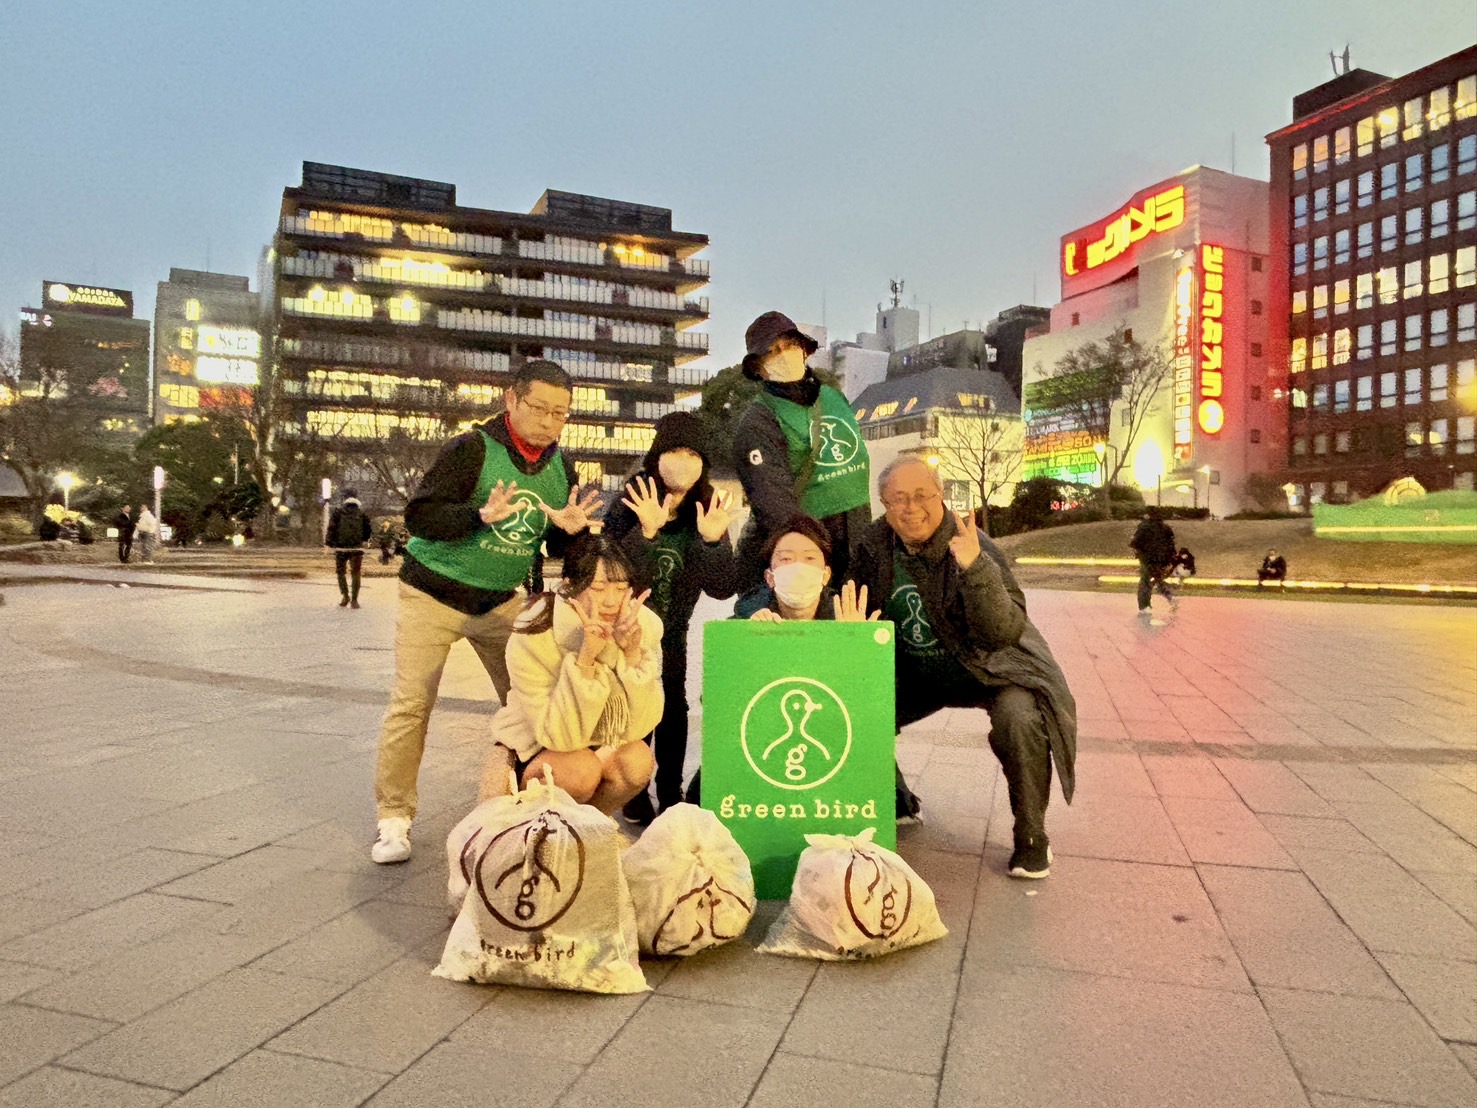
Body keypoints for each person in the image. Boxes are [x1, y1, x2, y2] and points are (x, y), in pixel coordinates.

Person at [370, 358, 602, 864]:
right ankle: (394, 819)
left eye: (560, 414)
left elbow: (556, 544)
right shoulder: (471, 449)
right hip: (433, 593)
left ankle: (532, 804)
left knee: (529, 700)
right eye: (538, 408)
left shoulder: (562, 468)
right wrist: (477, 515)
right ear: (511, 400)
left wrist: (570, 532)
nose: (548, 421)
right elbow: (420, 517)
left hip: (500, 601)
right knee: (412, 704)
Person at [848, 457, 1078, 879]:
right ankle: (895, 797)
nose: (911, 507)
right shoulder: (871, 547)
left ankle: (1032, 834)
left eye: (922, 495)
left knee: (1018, 717)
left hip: (987, 668)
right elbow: (847, 600)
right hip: (918, 672)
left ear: (941, 496)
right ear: (883, 504)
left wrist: (975, 569)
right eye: (897, 499)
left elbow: (1002, 631)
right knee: (858, 706)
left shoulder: (972, 543)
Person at [685, 514, 877, 805]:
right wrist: (751, 649)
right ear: (770, 577)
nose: (798, 567)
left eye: (809, 558)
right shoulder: (741, 625)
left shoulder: (850, 621)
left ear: (826, 574)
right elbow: (716, 705)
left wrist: (857, 649)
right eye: (786, 559)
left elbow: (870, 710)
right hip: (758, 755)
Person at [603, 411, 739, 821]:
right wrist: (645, 533)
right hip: (626, 631)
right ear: (656, 457)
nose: (682, 459)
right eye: (674, 450)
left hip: (673, 631)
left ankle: (670, 789)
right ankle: (633, 789)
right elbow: (611, 573)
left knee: (672, 708)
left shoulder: (707, 508)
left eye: (691, 452)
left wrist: (713, 541)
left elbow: (721, 586)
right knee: (634, 707)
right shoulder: (632, 500)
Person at [476, 533, 663, 815]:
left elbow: (638, 729)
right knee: (580, 769)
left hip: (592, 744)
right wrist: (585, 660)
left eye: (621, 588)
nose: (611, 601)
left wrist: (632, 654)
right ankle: (541, 831)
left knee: (637, 761)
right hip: (536, 746)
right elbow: (558, 737)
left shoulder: (641, 627)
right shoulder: (536, 632)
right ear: (570, 586)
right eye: (598, 588)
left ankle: (587, 831)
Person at [732, 311, 871, 590]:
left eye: (790, 345)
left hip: (858, 539)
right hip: (809, 550)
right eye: (773, 351)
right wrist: (812, 559)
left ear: (805, 350)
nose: (784, 354)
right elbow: (774, 504)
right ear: (758, 368)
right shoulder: (759, 421)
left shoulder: (833, 396)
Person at [325, 489, 372, 608]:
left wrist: (328, 544)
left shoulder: (338, 513)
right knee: (356, 573)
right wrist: (365, 540)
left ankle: (345, 596)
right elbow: (368, 530)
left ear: (344, 500)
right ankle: (355, 600)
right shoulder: (362, 514)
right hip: (356, 549)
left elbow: (331, 529)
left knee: (341, 572)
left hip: (341, 548)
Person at [1129, 508, 1178, 617]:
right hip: (1161, 560)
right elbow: (1171, 546)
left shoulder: (1143, 527)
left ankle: (1144, 606)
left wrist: (1138, 552)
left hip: (1146, 559)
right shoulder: (1166, 528)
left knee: (1145, 581)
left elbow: (1135, 543)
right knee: (1158, 578)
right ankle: (1170, 597)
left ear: (1148, 515)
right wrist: (1170, 559)